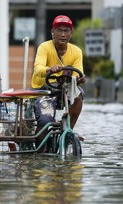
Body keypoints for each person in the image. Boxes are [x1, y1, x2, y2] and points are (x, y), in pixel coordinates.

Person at [32, 15, 86, 147]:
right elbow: (38, 68)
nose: (63, 34)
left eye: (66, 31)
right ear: (52, 32)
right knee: (45, 121)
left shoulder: (76, 51)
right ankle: (41, 151)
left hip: (64, 89)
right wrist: (49, 70)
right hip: (44, 90)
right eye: (59, 30)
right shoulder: (44, 47)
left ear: (71, 33)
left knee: (79, 95)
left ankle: (68, 131)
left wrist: (81, 79)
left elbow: (78, 72)